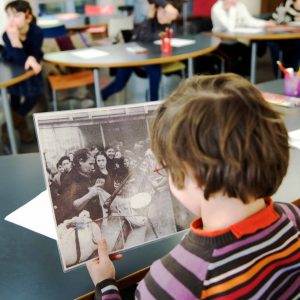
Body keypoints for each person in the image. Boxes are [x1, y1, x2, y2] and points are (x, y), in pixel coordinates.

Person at [87, 73, 300, 299]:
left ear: (192, 176)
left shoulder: (169, 283)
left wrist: (106, 285)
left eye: (165, 168)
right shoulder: (292, 216)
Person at [101, 1, 181, 102]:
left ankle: (153, 104)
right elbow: (144, 37)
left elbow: (173, 41)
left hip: (152, 60)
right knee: (119, 84)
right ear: (156, 10)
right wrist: (150, 17)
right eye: (161, 11)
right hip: (132, 57)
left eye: (166, 13)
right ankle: (101, 95)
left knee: (155, 71)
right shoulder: (149, 22)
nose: (162, 15)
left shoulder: (170, 26)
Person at [1, 0, 44, 146]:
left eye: (16, 15)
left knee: (35, 94)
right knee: (14, 96)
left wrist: (32, 58)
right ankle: (20, 125)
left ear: (28, 16)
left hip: (30, 71)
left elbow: (36, 53)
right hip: (12, 67)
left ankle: (8, 126)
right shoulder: (7, 35)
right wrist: (14, 39)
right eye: (9, 16)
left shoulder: (36, 31)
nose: (11, 20)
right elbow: (19, 60)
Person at [211, 0, 275, 75]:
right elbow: (230, 28)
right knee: (229, 58)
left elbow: (249, 21)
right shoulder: (217, 8)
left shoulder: (239, 5)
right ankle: (229, 79)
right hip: (220, 43)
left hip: (233, 41)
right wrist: (232, 10)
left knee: (249, 52)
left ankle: (242, 77)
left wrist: (265, 23)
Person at [56, 149, 103, 224]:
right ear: (80, 161)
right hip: (80, 225)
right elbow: (75, 205)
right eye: (90, 164)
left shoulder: (84, 174)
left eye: (93, 164)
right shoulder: (69, 180)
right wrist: (90, 194)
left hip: (93, 219)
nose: (93, 167)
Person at [269, 0, 300, 73]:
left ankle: (291, 72)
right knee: (272, 43)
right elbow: (275, 20)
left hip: (296, 38)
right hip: (282, 35)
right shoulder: (286, 3)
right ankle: (279, 72)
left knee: (297, 44)